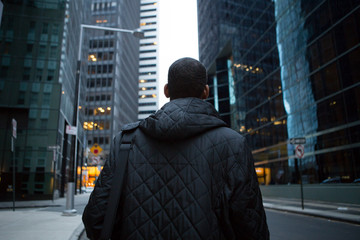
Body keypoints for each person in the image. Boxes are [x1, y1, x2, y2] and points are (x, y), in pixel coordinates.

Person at [82, 57, 269, 239]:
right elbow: (251, 226)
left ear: (166, 90)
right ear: (206, 92)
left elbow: (96, 218)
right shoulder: (234, 144)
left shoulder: (126, 141)